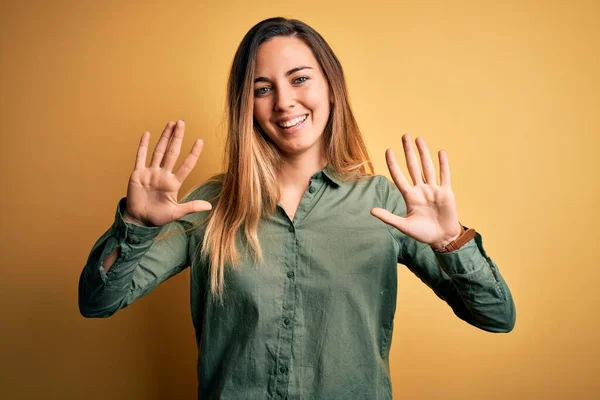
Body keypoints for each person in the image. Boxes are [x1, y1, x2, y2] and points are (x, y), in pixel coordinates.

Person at [79, 17, 516, 399]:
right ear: (245, 106)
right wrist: (136, 225)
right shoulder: (210, 205)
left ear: (330, 85)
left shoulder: (383, 203)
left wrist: (449, 240)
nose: (284, 102)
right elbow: (97, 301)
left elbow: (497, 317)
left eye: (300, 78)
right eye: (263, 88)